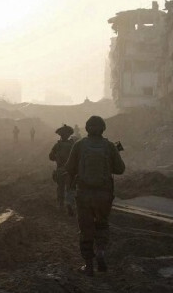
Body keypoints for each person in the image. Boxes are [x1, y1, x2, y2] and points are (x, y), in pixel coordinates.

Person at [65, 116, 125, 276]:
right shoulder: (110, 146)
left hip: (84, 194)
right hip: (104, 195)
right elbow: (120, 169)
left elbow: (69, 168)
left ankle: (88, 265)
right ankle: (101, 253)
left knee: (85, 229)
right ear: (103, 128)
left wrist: (68, 195)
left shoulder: (79, 145)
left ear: (86, 128)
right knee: (102, 225)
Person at [48, 124, 75, 216]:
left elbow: (51, 156)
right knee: (70, 188)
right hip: (70, 171)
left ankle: (60, 205)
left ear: (60, 135)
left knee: (60, 188)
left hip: (60, 170)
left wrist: (57, 158)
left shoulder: (57, 145)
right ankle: (69, 203)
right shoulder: (73, 145)